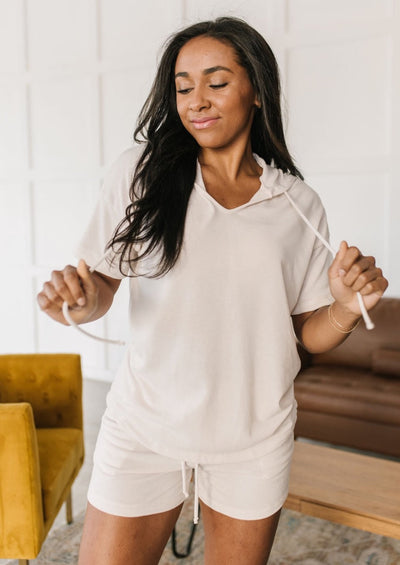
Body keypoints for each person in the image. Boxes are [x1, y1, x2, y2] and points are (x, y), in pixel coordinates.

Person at [37, 17, 388, 565]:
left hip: (254, 443)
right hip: (144, 429)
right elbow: (101, 283)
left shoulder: (298, 204)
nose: (196, 101)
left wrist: (346, 307)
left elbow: (308, 334)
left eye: (217, 82)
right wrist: (80, 303)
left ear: (256, 90)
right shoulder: (141, 174)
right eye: (183, 87)